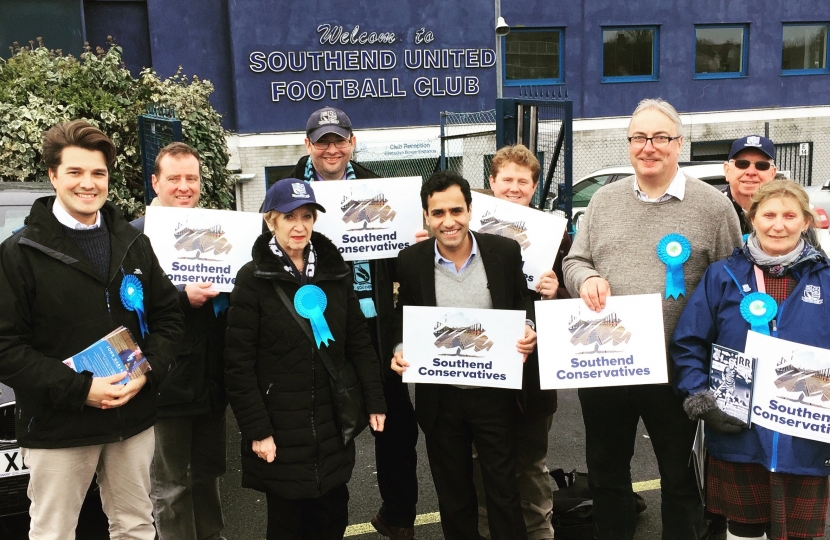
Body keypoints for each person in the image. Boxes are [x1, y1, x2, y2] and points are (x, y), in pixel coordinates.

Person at [562, 98, 743, 540]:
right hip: (607, 365)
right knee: (607, 475)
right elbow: (574, 260)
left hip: (679, 370)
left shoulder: (713, 207)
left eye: (660, 137)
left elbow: (733, 283)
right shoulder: (604, 201)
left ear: (678, 144)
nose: (649, 147)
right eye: (639, 138)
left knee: (681, 482)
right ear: (628, 145)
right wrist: (584, 278)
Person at [0, 119, 184, 539]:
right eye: (75, 172)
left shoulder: (135, 243)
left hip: (131, 418)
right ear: (52, 175)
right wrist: (82, 389)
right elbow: (6, 348)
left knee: (136, 526)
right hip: (58, 424)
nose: (88, 183)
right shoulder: (19, 254)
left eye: (98, 173)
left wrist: (148, 370)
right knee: (54, 532)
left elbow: (169, 318)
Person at [283, 105, 422, 539]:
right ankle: (328, 524)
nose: (331, 148)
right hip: (319, 324)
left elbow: (400, 262)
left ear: (352, 143)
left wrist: (415, 247)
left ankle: (399, 515)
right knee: (329, 428)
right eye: (322, 140)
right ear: (308, 145)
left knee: (396, 424)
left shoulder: (382, 187)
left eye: (339, 139)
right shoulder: (288, 189)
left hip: (378, 323)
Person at [224, 178, 387, 540]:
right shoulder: (252, 279)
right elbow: (238, 363)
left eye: (307, 216)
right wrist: (258, 430)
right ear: (270, 221)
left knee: (332, 517)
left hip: (332, 420)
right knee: (287, 524)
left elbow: (358, 342)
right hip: (281, 424)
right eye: (289, 217)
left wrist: (375, 399)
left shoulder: (336, 272)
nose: (299, 226)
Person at [672, 180, 830, 540]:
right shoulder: (722, 276)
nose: (779, 225)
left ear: (806, 222)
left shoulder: (827, 279)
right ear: (752, 218)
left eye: (790, 216)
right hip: (738, 434)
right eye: (769, 214)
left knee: (802, 534)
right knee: (743, 531)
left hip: (806, 438)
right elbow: (688, 343)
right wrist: (702, 399)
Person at [391, 170, 537, 540]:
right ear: (426, 216)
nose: (448, 221)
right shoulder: (410, 261)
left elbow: (523, 298)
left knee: (504, 492)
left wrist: (529, 327)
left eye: (456, 210)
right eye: (438, 213)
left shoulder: (503, 251)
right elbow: (403, 315)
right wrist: (399, 348)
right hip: (441, 399)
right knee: (453, 496)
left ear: (470, 210)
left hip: (494, 394)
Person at [473, 144, 571, 540]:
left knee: (531, 462)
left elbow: (573, 306)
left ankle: (538, 534)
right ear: (492, 183)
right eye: (507, 180)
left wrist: (556, 292)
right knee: (482, 462)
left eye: (523, 182)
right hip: (482, 363)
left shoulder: (553, 236)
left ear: (534, 188)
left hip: (533, 374)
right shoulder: (465, 232)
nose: (515, 188)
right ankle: (487, 531)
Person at [131, 142, 229, 540]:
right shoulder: (136, 236)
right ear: (155, 182)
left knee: (208, 475)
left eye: (192, 178)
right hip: (165, 381)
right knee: (170, 486)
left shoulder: (220, 229)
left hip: (211, 377)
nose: (184, 186)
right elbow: (127, 307)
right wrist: (181, 298)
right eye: (174, 178)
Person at [723, 135, 778, 234]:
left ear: (772, 174)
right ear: (727, 170)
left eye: (761, 165)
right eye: (742, 164)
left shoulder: (788, 213)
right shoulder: (712, 209)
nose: (751, 172)